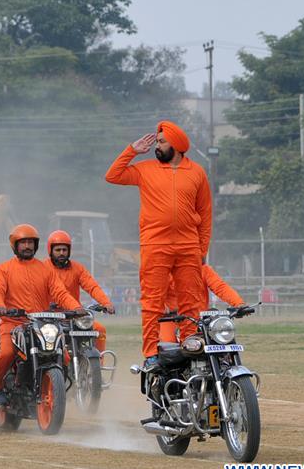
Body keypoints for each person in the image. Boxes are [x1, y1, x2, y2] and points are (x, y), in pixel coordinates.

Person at [105, 120, 212, 368]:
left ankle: (190, 343)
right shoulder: (145, 169)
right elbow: (113, 175)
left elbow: (205, 214)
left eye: (162, 142)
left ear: (176, 145)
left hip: (188, 246)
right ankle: (151, 354)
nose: (157, 145)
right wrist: (132, 150)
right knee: (153, 302)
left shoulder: (197, 172)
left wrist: (202, 249)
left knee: (190, 300)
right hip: (155, 246)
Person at [0, 224, 82, 405]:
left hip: (41, 323)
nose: (27, 246)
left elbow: (60, 293)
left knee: (65, 355)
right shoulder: (4, 269)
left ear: (36, 245)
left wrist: (76, 308)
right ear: (15, 245)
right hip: (12, 323)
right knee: (6, 353)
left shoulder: (45, 269)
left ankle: (53, 388)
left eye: (30, 242)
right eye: (23, 243)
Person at [44, 230, 114, 355]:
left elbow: (92, 286)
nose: (61, 253)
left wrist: (106, 302)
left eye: (64, 250)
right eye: (58, 250)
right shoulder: (42, 268)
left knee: (99, 329)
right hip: (49, 318)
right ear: (50, 250)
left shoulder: (78, 269)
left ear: (69, 251)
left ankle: (97, 364)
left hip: (74, 316)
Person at [163, 265, 246, 342]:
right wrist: (163, 307)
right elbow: (155, 293)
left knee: (221, 341)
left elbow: (220, 286)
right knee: (168, 346)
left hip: (201, 320)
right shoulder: (166, 272)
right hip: (172, 319)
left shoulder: (203, 269)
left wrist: (238, 303)